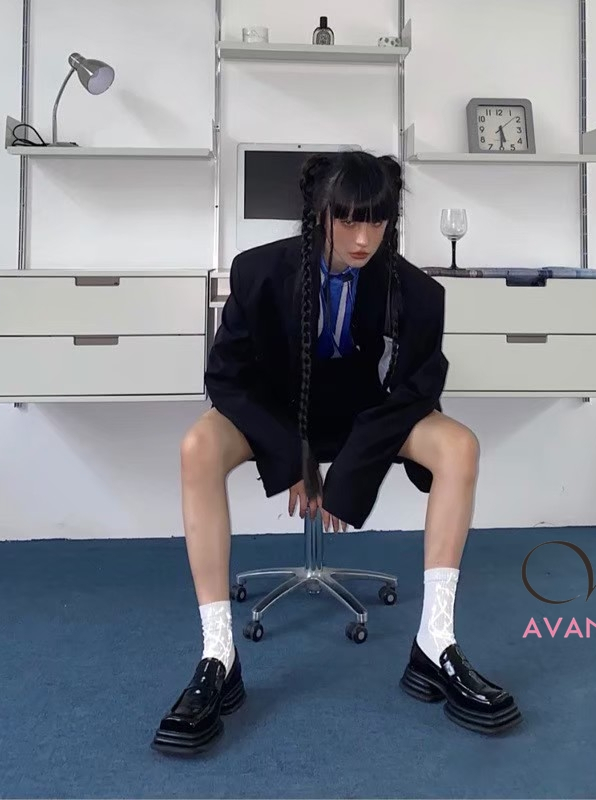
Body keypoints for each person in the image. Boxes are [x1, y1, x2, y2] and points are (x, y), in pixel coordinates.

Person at [151, 150, 522, 755]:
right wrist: (289, 454)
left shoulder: (419, 292)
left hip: (365, 423)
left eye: (376, 221)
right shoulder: (258, 272)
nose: (362, 238)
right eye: (348, 220)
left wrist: (352, 470)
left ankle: (436, 643)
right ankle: (218, 654)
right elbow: (225, 378)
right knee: (197, 445)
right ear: (319, 214)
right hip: (276, 419)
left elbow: (418, 390)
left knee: (460, 445)